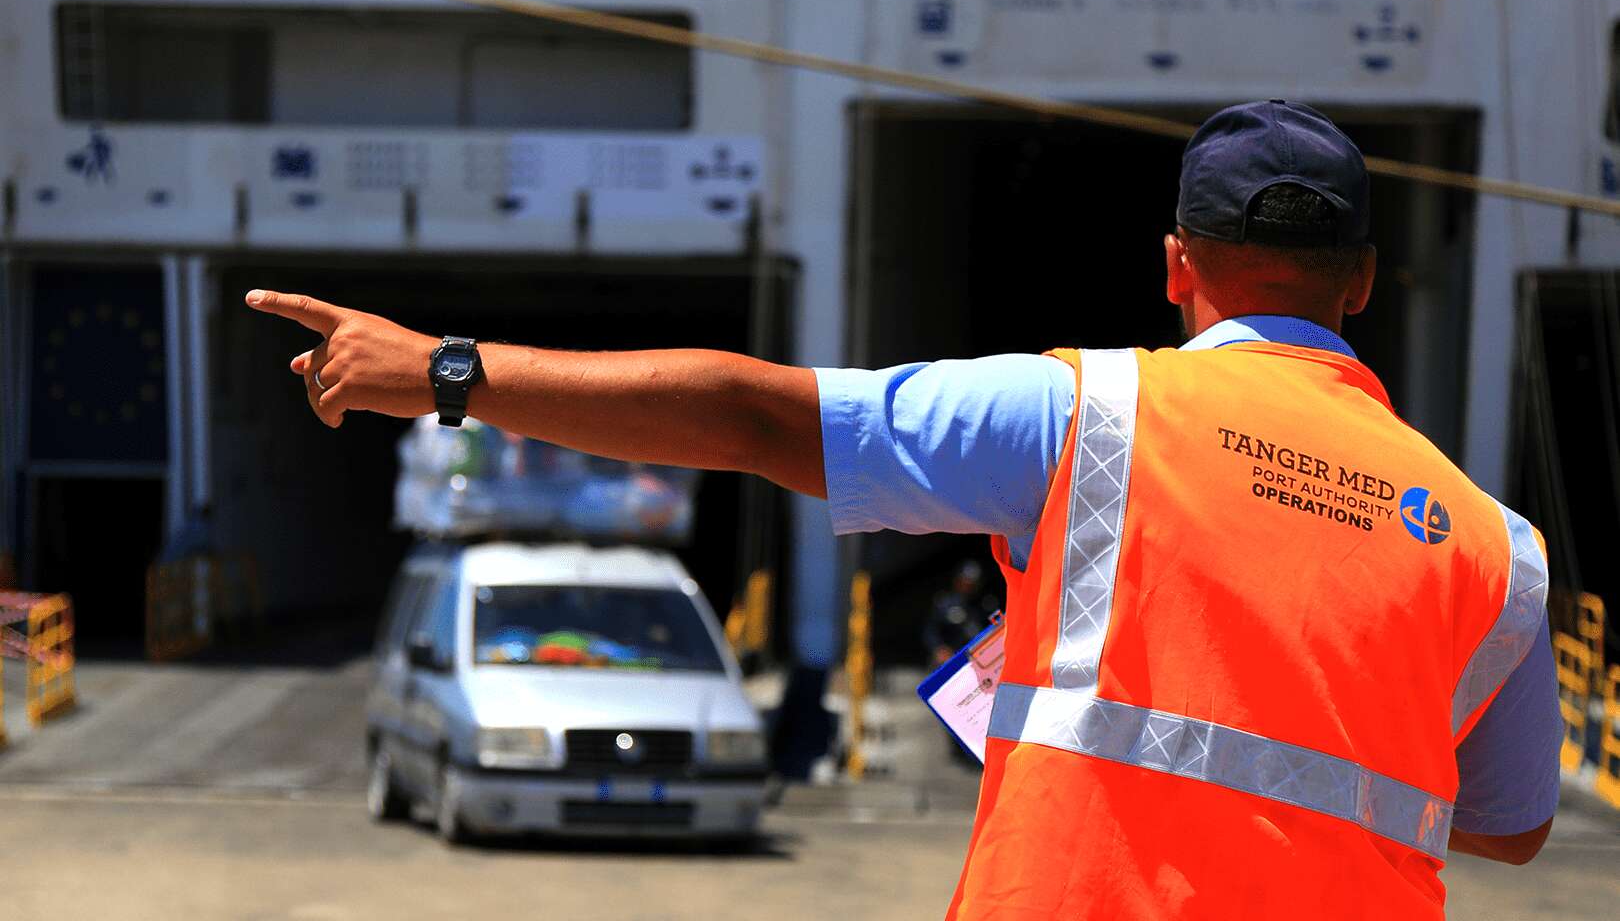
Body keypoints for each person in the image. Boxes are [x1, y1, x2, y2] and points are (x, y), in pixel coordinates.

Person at [247, 100, 1561, 919]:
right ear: (1368, 282)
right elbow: (1509, 824)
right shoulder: (1498, 551)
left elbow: (752, 413)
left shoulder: (1085, 418)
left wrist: (445, 372)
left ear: (1175, 269)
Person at [924, 559, 999, 667]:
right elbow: (930, 630)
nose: (967, 587)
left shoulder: (985, 604)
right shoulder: (945, 602)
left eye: (972, 584)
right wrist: (938, 648)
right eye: (965, 582)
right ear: (957, 580)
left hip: (981, 655)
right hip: (952, 656)